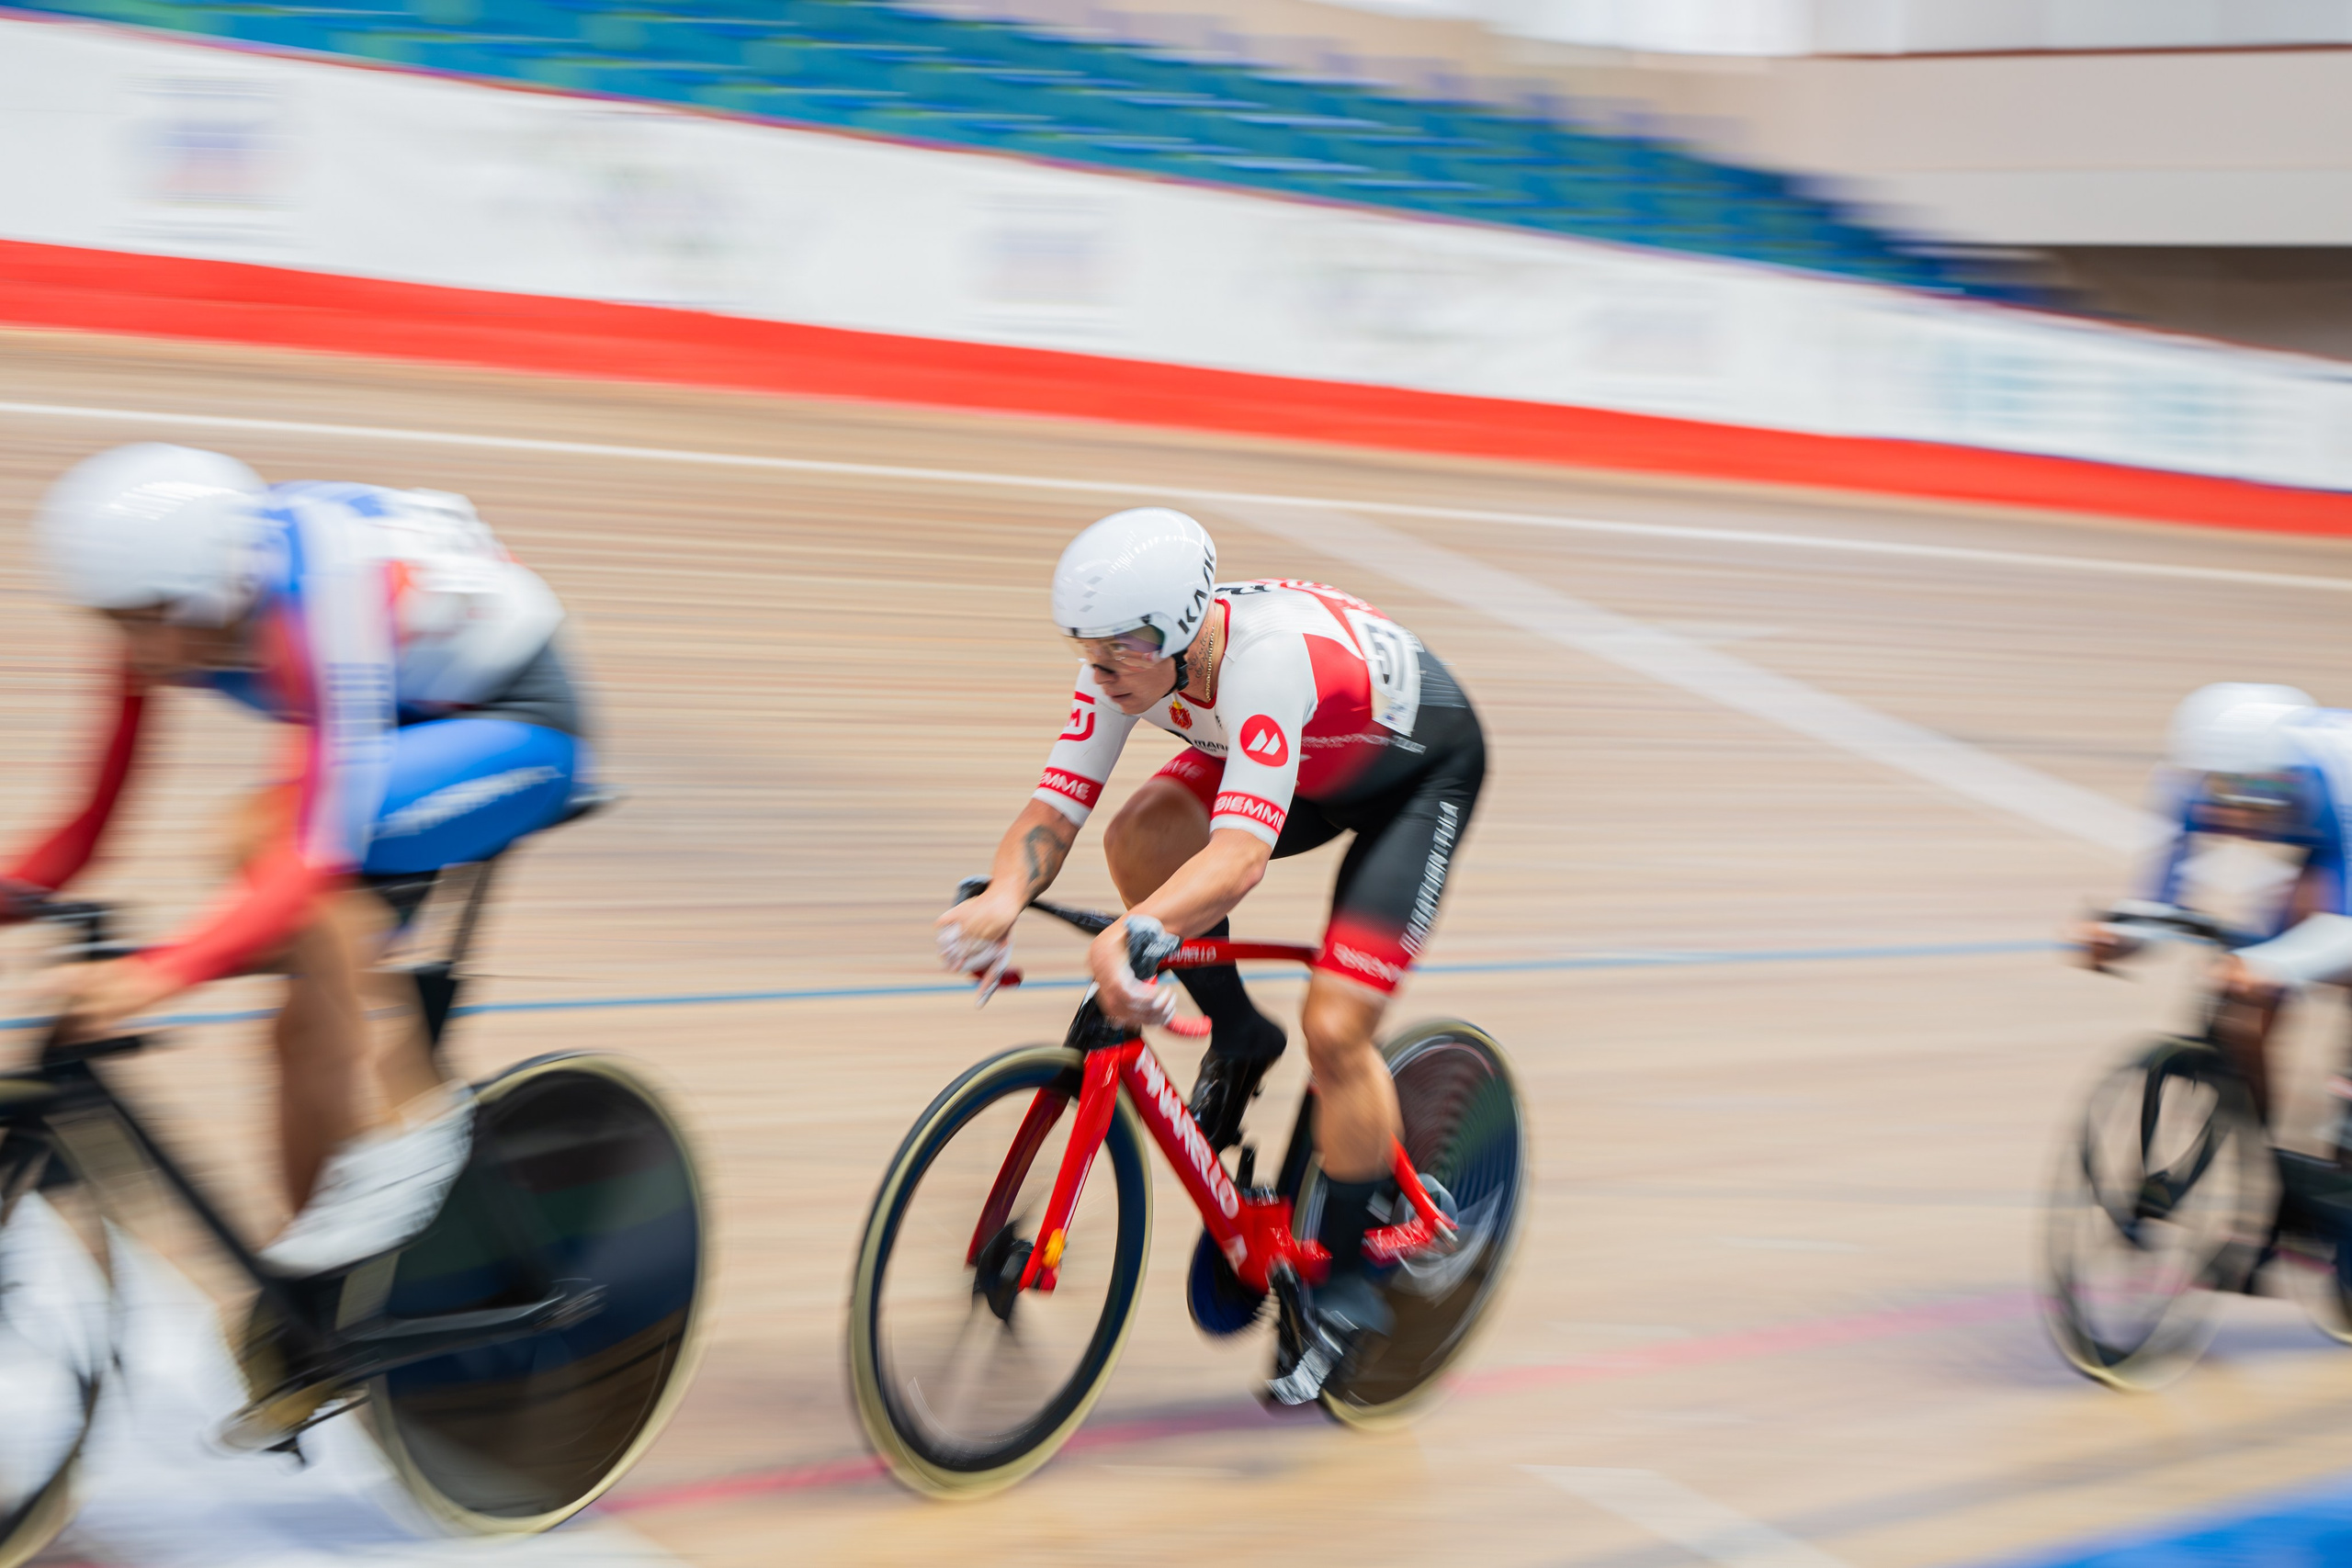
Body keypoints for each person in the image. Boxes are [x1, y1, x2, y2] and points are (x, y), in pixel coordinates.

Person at [937, 506, 1484, 1402]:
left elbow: (1238, 860)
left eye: (1115, 651)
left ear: (1176, 633)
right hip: (1302, 758)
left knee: (1338, 1027)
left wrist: (1133, 935)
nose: (1098, 670)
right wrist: (1002, 897)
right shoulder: (1128, 664)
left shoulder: (1262, 661)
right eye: (1084, 648)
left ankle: (1346, 1281)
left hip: (1413, 777)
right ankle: (1237, 1034)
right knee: (1141, 839)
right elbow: (1053, 810)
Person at [3, 444, 591, 1276]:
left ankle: (418, 1116)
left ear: (199, 593)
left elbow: (315, 846)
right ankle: (317, 1320)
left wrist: (155, 975)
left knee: (258, 834)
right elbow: (89, 826)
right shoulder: (162, 603)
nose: (126, 648)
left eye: (138, 623)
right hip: (396, 746)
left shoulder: (320, 591)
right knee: (298, 1028)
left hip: (519, 726)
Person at [2075, 682, 2351, 1130]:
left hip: (2344, 832)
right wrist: (2121, 934)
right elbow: (2161, 899)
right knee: (2247, 999)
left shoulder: (2338, 782)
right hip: (2327, 845)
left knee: (2312, 945)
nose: (2241, 811)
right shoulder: (2192, 788)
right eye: (2228, 791)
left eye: (2261, 788)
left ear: (2291, 772)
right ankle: (2256, 1146)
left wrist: (2274, 964)